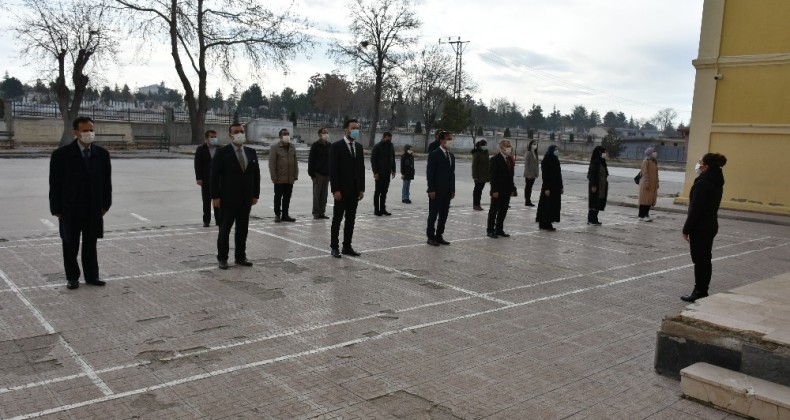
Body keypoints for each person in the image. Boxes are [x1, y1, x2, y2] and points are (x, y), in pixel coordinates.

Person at [49, 116, 112, 290]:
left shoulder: (102, 154)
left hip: (93, 208)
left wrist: (105, 205)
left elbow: (107, 183)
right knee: (70, 244)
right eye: (85, 131)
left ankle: (92, 276)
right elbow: (54, 184)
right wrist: (56, 209)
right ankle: (72, 277)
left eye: (91, 130)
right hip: (69, 209)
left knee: (91, 244)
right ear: (76, 133)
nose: (89, 133)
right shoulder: (61, 155)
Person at [211, 123, 260, 269]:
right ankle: (222, 258)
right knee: (225, 229)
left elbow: (256, 175)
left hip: (246, 199)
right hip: (227, 198)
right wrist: (215, 197)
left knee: (242, 229)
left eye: (242, 131)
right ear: (230, 135)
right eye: (236, 132)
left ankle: (240, 256)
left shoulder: (251, 152)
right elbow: (214, 176)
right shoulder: (222, 152)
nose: (240, 134)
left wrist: (255, 194)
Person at [681, 153, 728, 303]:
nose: (698, 165)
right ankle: (703, 288)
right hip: (710, 224)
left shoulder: (703, 183)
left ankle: (699, 291)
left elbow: (696, 209)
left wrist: (686, 229)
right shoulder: (716, 180)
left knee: (700, 260)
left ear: (706, 167)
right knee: (705, 259)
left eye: (700, 163)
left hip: (700, 227)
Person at [329, 119, 365, 258]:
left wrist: (361, 188)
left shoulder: (359, 147)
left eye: (357, 128)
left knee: (351, 220)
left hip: (354, 191)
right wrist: (335, 189)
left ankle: (347, 246)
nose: (356, 130)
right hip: (341, 191)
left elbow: (361, 169)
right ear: (346, 130)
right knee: (337, 219)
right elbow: (333, 170)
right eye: (353, 128)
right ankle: (334, 247)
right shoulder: (336, 146)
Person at [426, 131, 455, 246]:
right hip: (436, 191)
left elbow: (452, 174)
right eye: (448, 139)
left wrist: (452, 189)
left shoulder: (451, 156)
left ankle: (439, 235)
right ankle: (430, 237)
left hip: (447, 191)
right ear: (442, 140)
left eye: (451, 139)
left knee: (444, 214)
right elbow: (430, 173)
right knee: (433, 215)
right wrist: (431, 189)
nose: (450, 141)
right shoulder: (434, 154)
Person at [269, 128, 298, 223]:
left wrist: (295, 175)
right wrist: (273, 176)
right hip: (279, 178)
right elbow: (272, 163)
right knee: (278, 197)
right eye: (284, 134)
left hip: (290, 178)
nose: (286, 135)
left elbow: (295, 162)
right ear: (280, 136)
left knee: (287, 197)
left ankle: (285, 215)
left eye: (288, 134)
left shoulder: (292, 147)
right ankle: (277, 215)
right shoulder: (275, 147)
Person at [487, 139, 515, 238]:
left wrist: (512, 189)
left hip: (506, 190)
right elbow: (492, 176)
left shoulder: (509, 159)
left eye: (509, 146)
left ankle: (499, 229)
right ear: (501, 147)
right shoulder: (495, 159)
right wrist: (494, 190)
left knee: (503, 210)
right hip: (497, 190)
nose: (509, 148)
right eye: (507, 146)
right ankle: (490, 230)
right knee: (494, 211)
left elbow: (511, 176)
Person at [195, 130, 220, 227]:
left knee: (217, 200)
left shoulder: (220, 148)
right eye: (212, 137)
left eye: (215, 136)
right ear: (206, 138)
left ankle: (218, 220)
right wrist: (199, 178)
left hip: (218, 180)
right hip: (206, 179)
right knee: (206, 201)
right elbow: (197, 165)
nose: (214, 139)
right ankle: (206, 220)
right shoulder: (201, 149)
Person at [536, 145, 563, 231]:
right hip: (548, 186)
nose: (557, 151)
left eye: (557, 150)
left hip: (556, 187)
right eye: (555, 150)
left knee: (553, 205)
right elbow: (545, 175)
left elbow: (559, 175)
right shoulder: (546, 160)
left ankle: (549, 222)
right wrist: (547, 188)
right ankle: (544, 223)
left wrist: (561, 186)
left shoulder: (556, 160)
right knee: (546, 205)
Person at [370, 131, 396, 216]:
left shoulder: (391, 146)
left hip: (387, 173)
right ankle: (376, 210)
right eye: (388, 138)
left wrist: (393, 170)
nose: (390, 140)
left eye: (391, 139)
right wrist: (375, 172)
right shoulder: (377, 147)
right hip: (379, 173)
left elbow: (393, 158)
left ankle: (383, 209)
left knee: (384, 192)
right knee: (378, 192)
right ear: (384, 137)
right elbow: (373, 161)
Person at [308, 127, 331, 219]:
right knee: (317, 194)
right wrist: (312, 175)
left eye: (327, 132)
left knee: (324, 195)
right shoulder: (315, 145)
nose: (326, 134)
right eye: (324, 133)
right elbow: (311, 161)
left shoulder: (330, 145)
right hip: (318, 174)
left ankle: (322, 212)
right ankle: (316, 212)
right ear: (320, 134)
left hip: (327, 174)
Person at [586, 146, 609, 226]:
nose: (605, 154)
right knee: (593, 202)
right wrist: (593, 185)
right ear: (599, 152)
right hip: (595, 186)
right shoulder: (595, 162)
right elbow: (592, 175)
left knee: (598, 202)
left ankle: (595, 219)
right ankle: (591, 220)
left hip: (601, 186)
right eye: (604, 152)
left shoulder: (602, 162)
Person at [638, 147, 660, 222]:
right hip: (646, 184)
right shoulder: (646, 161)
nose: (655, 153)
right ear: (650, 152)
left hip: (652, 185)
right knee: (644, 200)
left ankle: (646, 214)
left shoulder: (654, 161)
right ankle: (643, 215)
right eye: (653, 151)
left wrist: (657, 182)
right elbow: (645, 173)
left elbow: (656, 174)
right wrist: (647, 182)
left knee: (649, 200)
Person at [471, 139, 489, 211]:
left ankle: (478, 204)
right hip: (478, 175)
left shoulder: (485, 152)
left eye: (486, 145)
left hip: (484, 175)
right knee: (477, 191)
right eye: (484, 145)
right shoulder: (477, 153)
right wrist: (474, 176)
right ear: (480, 145)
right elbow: (474, 165)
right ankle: (476, 204)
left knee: (480, 190)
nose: (485, 146)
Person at [523, 140, 539, 206]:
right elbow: (526, 164)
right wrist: (528, 174)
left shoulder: (535, 153)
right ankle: (527, 201)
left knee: (530, 187)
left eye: (536, 144)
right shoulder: (528, 153)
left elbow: (536, 164)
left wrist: (536, 173)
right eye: (533, 144)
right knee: (528, 187)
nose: (535, 145)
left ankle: (528, 200)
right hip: (529, 174)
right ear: (530, 145)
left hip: (533, 173)